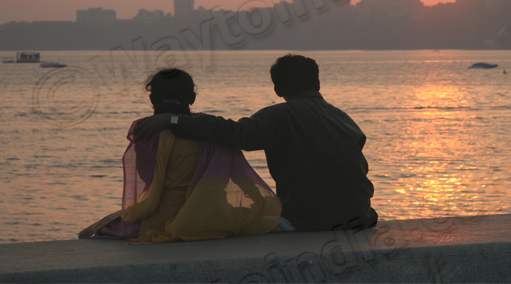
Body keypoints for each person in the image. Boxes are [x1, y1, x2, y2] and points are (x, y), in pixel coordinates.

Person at [134, 54, 378, 232]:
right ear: (318, 84)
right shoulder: (342, 118)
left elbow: (237, 133)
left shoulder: (279, 116)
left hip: (311, 222)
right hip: (361, 216)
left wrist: (173, 119)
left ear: (277, 89)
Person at [79, 68, 281, 243]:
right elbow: (238, 177)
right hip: (212, 217)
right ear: (192, 98)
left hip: (162, 219)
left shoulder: (146, 131)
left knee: (97, 230)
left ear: (151, 99)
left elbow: (146, 177)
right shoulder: (211, 131)